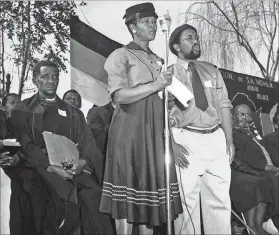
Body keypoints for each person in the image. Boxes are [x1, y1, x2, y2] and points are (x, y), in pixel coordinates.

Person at [99, 3, 182, 234]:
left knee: (149, 202)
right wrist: (156, 84)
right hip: (130, 132)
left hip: (155, 133)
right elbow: (119, 96)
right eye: (147, 22)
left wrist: (171, 105)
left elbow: (161, 97)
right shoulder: (120, 55)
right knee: (127, 198)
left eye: (155, 22)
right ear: (133, 27)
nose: (153, 26)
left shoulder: (159, 60)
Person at [10, 60, 116, 235]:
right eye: (45, 77)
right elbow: (26, 145)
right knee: (46, 198)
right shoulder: (22, 109)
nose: (51, 80)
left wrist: (83, 161)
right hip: (39, 167)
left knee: (95, 195)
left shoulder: (74, 113)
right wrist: (50, 166)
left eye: (54, 76)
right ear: (35, 79)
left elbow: (87, 143)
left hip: (73, 168)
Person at [168, 24, 234, 234]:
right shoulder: (168, 76)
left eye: (196, 37)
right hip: (186, 140)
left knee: (220, 201)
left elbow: (224, 106)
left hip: (216, 138)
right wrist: (172, 145)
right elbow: (160, 115)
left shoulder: (212, 71)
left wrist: (229, 140)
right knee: (188, 205)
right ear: (177, 46)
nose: (196, 41)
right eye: (189, 38)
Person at [230, 104, 279, 235]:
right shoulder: (232, 134)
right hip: (244, 176)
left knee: (258, 223)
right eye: (242, 114)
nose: (246, 118)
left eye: (248, 115)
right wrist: (263, 169)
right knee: (252, 223)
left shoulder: (252, 134)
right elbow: (239, 159)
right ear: (233, 117)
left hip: (260, 175)